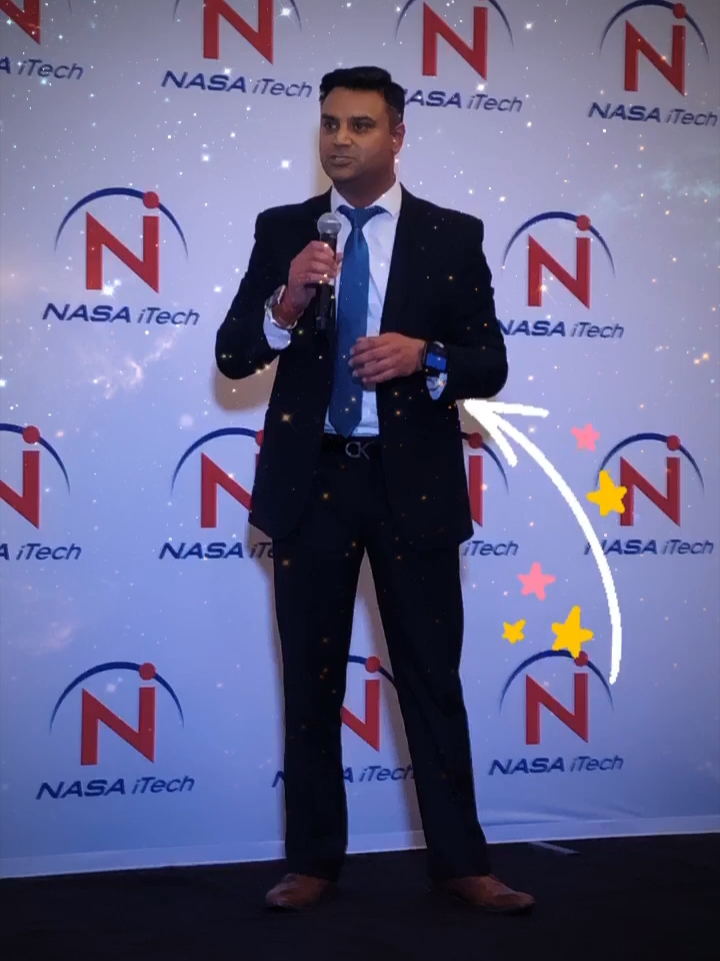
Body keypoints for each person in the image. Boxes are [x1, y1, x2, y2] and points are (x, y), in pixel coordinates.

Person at [216, 66, 535, 915]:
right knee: (310, 683)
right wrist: (287, 300)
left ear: (397, 135)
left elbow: (490, 362)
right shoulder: (286, 229)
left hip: (412, 487)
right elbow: (234, 353)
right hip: (312, 482)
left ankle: (462, 863)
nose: (340, 139)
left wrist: (425, 355)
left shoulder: (451, 235)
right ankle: (313, 861)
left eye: (360, 125)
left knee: (431, 679)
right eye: (329, 123)